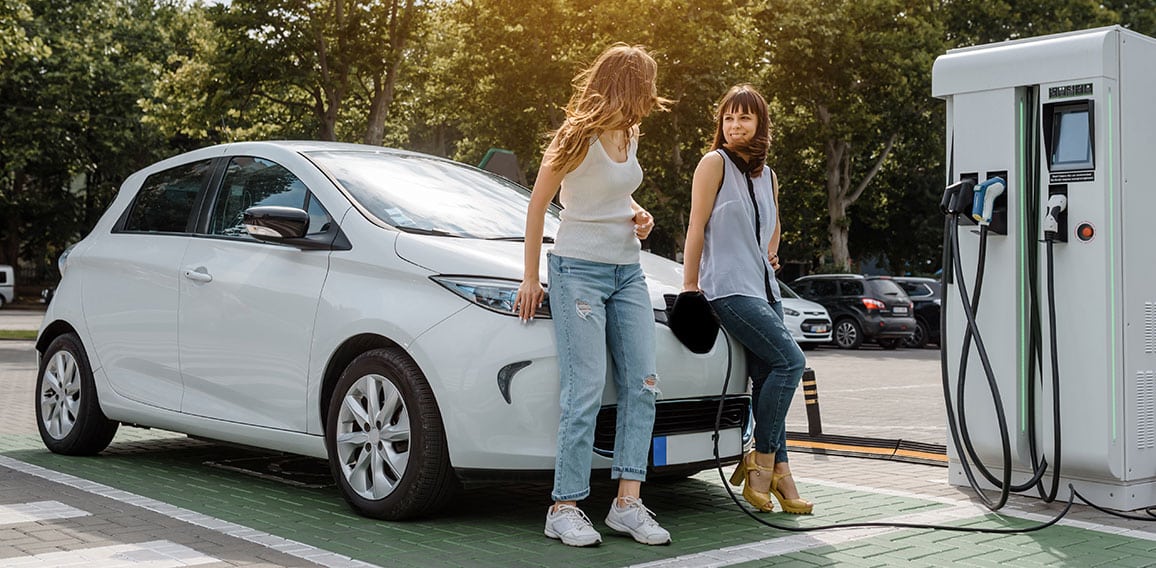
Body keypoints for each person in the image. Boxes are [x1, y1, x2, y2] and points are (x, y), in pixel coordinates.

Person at [514, 43, 672, 547]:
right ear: (628, 84)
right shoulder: (575, 135)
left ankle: (627, 503)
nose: (651, 96)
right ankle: (563, 507)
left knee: (643, 385)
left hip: (628, 270)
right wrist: (531, 276)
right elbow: (539, 205)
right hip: (577, 269)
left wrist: (638, 212)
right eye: (646, 84)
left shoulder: (630, 131)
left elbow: (611, 192)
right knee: (585, 389)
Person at [681, 84, 813, 515]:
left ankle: (779, 474)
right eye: (728, 119)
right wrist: (689, 285)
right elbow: (696, 225)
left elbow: (772, 225)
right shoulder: (713, 163)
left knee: (771, 385)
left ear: (761, 124)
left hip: (766, 289)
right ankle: (763, 463)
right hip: (728, 287)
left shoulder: (768, 175)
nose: (735, 127)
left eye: (745, 118)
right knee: (791, 362)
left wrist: (770, 252)